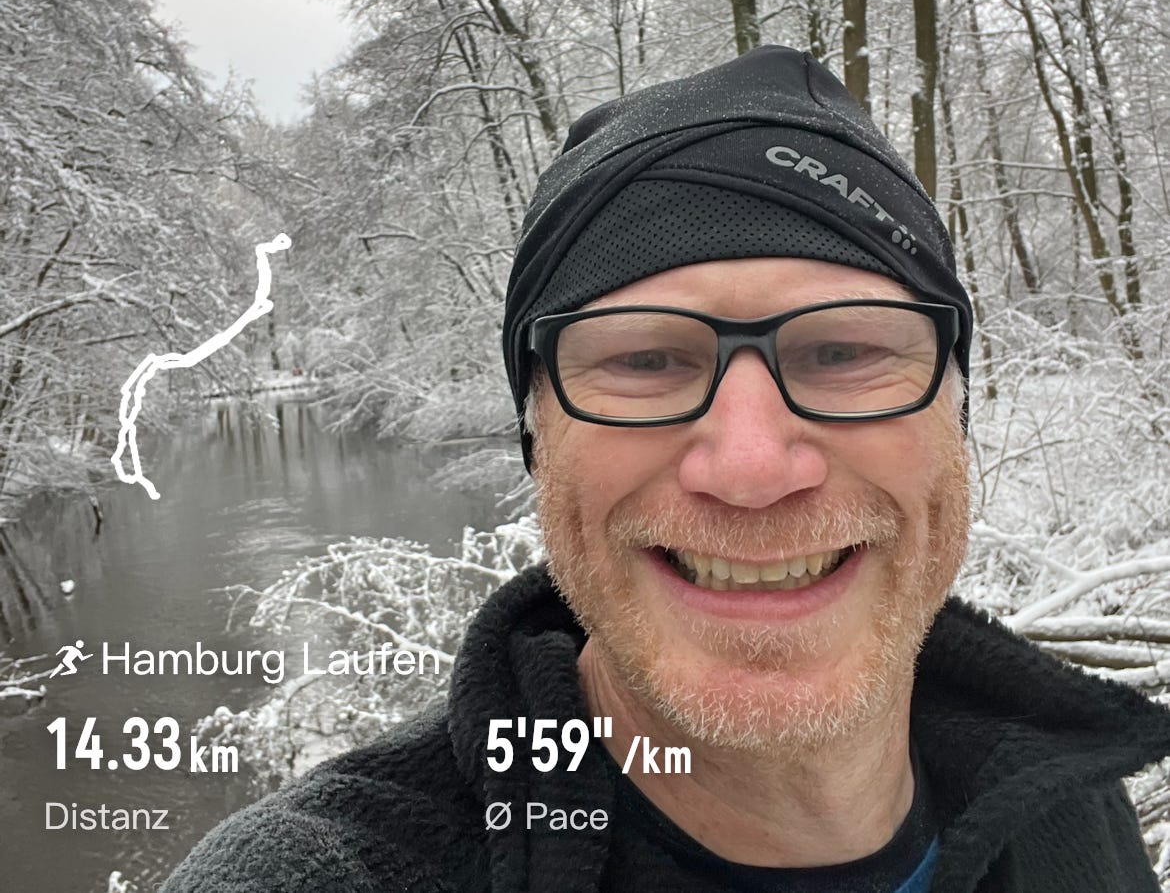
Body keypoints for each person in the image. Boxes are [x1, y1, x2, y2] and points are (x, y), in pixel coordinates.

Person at [162, 47, 1170, 892]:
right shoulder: (326, 874)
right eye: (646, 361)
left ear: (958, 415)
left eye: (845, 351)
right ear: (537, 440)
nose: (752, 467)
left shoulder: (1067, 796)